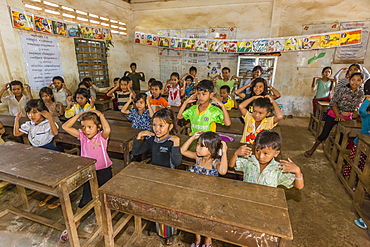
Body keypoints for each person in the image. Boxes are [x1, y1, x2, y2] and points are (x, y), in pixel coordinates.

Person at [60, 110, 113, 243]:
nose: (86, 130)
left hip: (104, 170)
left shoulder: (102, 137)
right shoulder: (81, 136)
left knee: (106, 195)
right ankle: (75, 222)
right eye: (83, 126)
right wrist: (78, 115)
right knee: (86, 197)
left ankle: (107, 220)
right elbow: (65, 127)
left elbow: (107, 128)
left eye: (90, 127)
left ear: (98, 127)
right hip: (89, 171)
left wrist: (100, 115)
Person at [131, 108, 181, 245]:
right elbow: (136, 152)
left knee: (167, 206)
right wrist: (139, 136)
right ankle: (161, 229)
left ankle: (170, 233)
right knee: (155, 204)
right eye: (154, 125)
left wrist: (176, 144)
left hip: (168, 180)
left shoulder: (172, 141)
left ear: (170, 126)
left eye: (161, 125)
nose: (156, 129)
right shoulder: (153, 140)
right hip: (154, 178)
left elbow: (177, 163)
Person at [181, 131, 228, 247]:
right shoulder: (198, 158)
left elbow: (223, 171)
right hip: (196, 193)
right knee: (195, 217)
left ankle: (208, 239)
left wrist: (224, 151)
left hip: (209, 197)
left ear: (212, 150)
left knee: (207, 219)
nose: (197, 148)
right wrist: (192, 137)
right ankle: (197, 239)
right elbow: (182, 151)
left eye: (202, 146)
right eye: (197, 144)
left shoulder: (215, 163)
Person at [305, 72, 365, 157]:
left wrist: (355, 111)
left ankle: (336, 156)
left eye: (358, 80)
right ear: (349, 80)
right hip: (334, 114)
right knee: (324, 134)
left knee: (343, 137)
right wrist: (338, 115)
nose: (355, 82)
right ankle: (312, 149)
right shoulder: (342, 89)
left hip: (347, 117)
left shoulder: (361, 93)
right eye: (353, 80)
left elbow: (357, 105)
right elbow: (333, 103)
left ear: (362, 82)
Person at [229, 130, 304, 189]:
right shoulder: (249, 160)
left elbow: (299, 186)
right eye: (257, 151)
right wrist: (235, 154)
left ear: (276, 153)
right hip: (247, 198)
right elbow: (231, 165)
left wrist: (298, 172)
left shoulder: (278, 169)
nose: (260, 156)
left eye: (265, 153)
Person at [343, 80, 370, 177]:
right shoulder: (366, 109)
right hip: (362, 142)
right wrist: (368, 99)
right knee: (355, 164)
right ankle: (349, 179)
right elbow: (362, 111)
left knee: (364, 169)